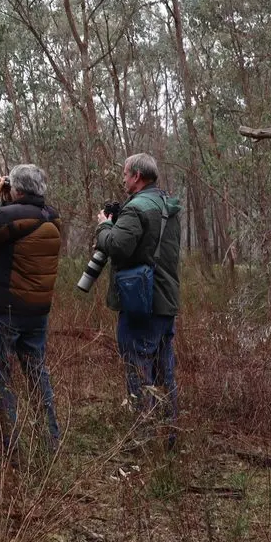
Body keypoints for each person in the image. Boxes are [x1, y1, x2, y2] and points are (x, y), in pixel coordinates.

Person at [0, 164, 63, 458]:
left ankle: (10, 447)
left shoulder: (11, 215)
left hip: (8, 309)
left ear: (17, 188)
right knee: (37, 374)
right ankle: (50, 441)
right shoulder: (52, 215)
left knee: (0, 375)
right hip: (38, 311)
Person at [95, 152, 182, 448]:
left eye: (125, 173)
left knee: (137, 368)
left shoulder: (136, 208)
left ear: (137, 176)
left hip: (140, 303)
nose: (123, 179)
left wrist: (104, 227)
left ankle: (143, 439)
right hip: (165, 301)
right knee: (164, 372)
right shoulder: (167, 205)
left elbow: (116, 247)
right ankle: (169, 435)